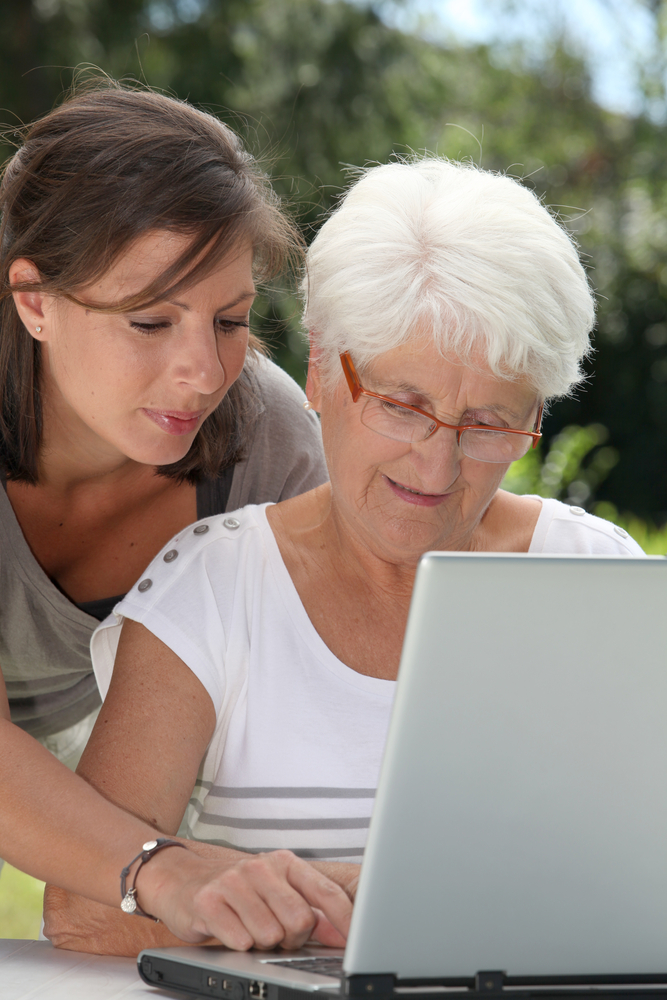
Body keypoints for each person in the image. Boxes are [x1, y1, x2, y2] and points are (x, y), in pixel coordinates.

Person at [44, 156, 644, 957]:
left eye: (489, 422)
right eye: (402, 406)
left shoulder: (593, 575)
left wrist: (351, 897)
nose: (436, 466)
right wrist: (362, 902)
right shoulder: (214, 587)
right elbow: (82, 911)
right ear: (321, 372)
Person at [0, 81, 351, 946]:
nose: (203, 371)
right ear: (34, 300)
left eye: (230, 320)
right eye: (150, 321)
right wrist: (156, 865)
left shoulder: (264, 438)